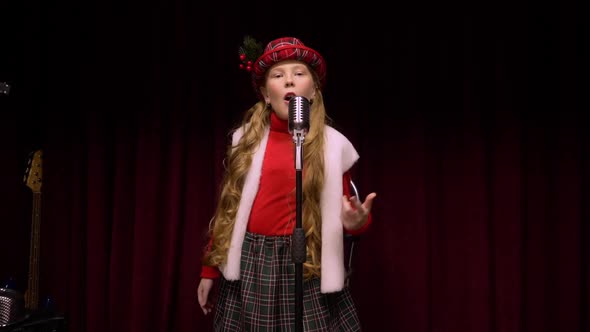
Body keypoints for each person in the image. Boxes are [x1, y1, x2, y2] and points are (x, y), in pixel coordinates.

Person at [197, 36, 377, 331]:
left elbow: (348, 214)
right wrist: (209, 270)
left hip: (307, 265)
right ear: (266, 94)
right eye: (279, 76)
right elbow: (229, 210)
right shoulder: (245, 141)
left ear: (314, 91)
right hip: (254, 265)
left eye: (299, 73)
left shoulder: (332, 146)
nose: (290, 82)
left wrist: (356, 222)